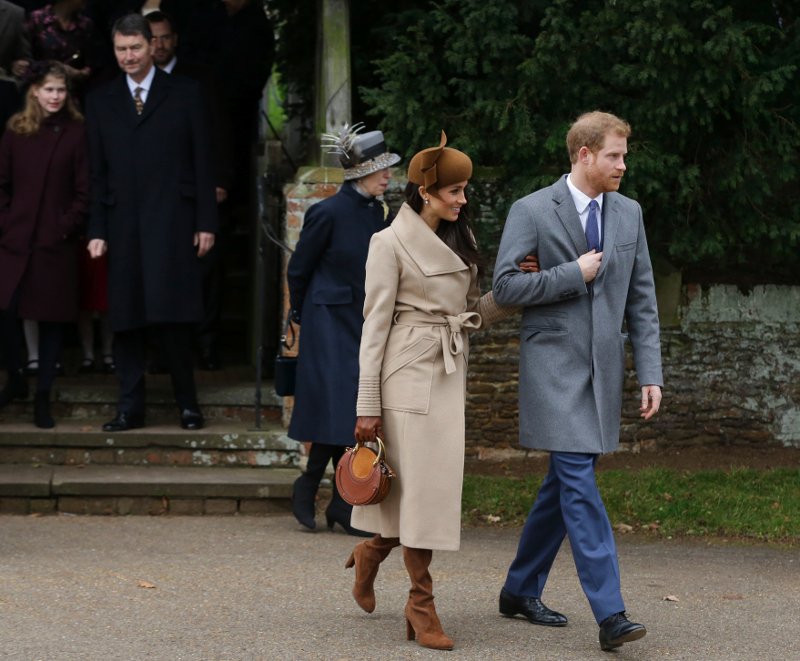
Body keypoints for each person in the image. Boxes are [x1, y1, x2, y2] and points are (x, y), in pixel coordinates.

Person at [492, 111, 663, 652]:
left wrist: (650, 372)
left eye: (624, 155)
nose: (623, 164)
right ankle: (611, 613)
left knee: (563, 485)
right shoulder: (533, 210)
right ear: (584, 154)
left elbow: (642, 298)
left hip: (603, 371)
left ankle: (519, 589)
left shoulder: (629, 214)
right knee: (579, 485)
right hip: (553, 369)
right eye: (614, 155)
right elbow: (504, 288)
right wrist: (574, 274)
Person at [349, 132, 516, 651]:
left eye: (464, 190)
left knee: (424, 494)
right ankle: (421, 604)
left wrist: (508, 297)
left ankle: (372, 553)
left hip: (447, 369)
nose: (462, 200)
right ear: (426, 191)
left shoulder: (456, 239)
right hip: (406, 376)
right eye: (454, 191)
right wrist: (366, 407)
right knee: (420, 495)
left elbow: (464, 317)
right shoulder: (388, 243)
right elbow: (373, 329)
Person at [86, 13, 217, 431]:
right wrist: (96, 229)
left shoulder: (185, 93)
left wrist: (206, 222)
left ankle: (188, 405)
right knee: (125, 319)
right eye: (121, 49)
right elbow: (95, 172)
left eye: (135, 48)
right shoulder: (100, 100)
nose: (128, 56)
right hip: (121, 224)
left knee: (174, 316)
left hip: (174, 222)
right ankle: (129, 408)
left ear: (152, 47)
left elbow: (202, 163)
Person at [286, 124, 399, 536]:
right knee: (339, 406)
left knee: (350, 409)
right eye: (380, 169)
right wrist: (300, 312)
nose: (388, 175)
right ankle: (319, 491)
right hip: (327, 319)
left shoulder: (380, 213)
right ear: (360, 172)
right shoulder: (327, 212)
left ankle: (336, 501)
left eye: (388, 168)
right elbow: (299, 268)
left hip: (363, 319)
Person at [0, 61, 88, 428]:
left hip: (55, 244)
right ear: (34, 90)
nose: (55, 96)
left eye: (61, 90)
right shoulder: (15, 132)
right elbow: (1, 184)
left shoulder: (77, 132)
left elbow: (85, 190)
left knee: (52, 320)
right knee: (7, 312)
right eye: (49, 89)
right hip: (15, 240)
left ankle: (43, 395)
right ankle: (18, 378)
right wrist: (6, 223)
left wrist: (62, 227)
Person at [146, 9, 233, 370]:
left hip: (201, 191)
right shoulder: (138, 84)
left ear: (175, 39)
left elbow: (220, 132)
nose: (160, 44)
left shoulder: (200, 78)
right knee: (160, 274)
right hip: (157, 196)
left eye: (165, 37)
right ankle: (163, 352)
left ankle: (206, 345)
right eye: (153, 38)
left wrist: (221, 181)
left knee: (206, 271)